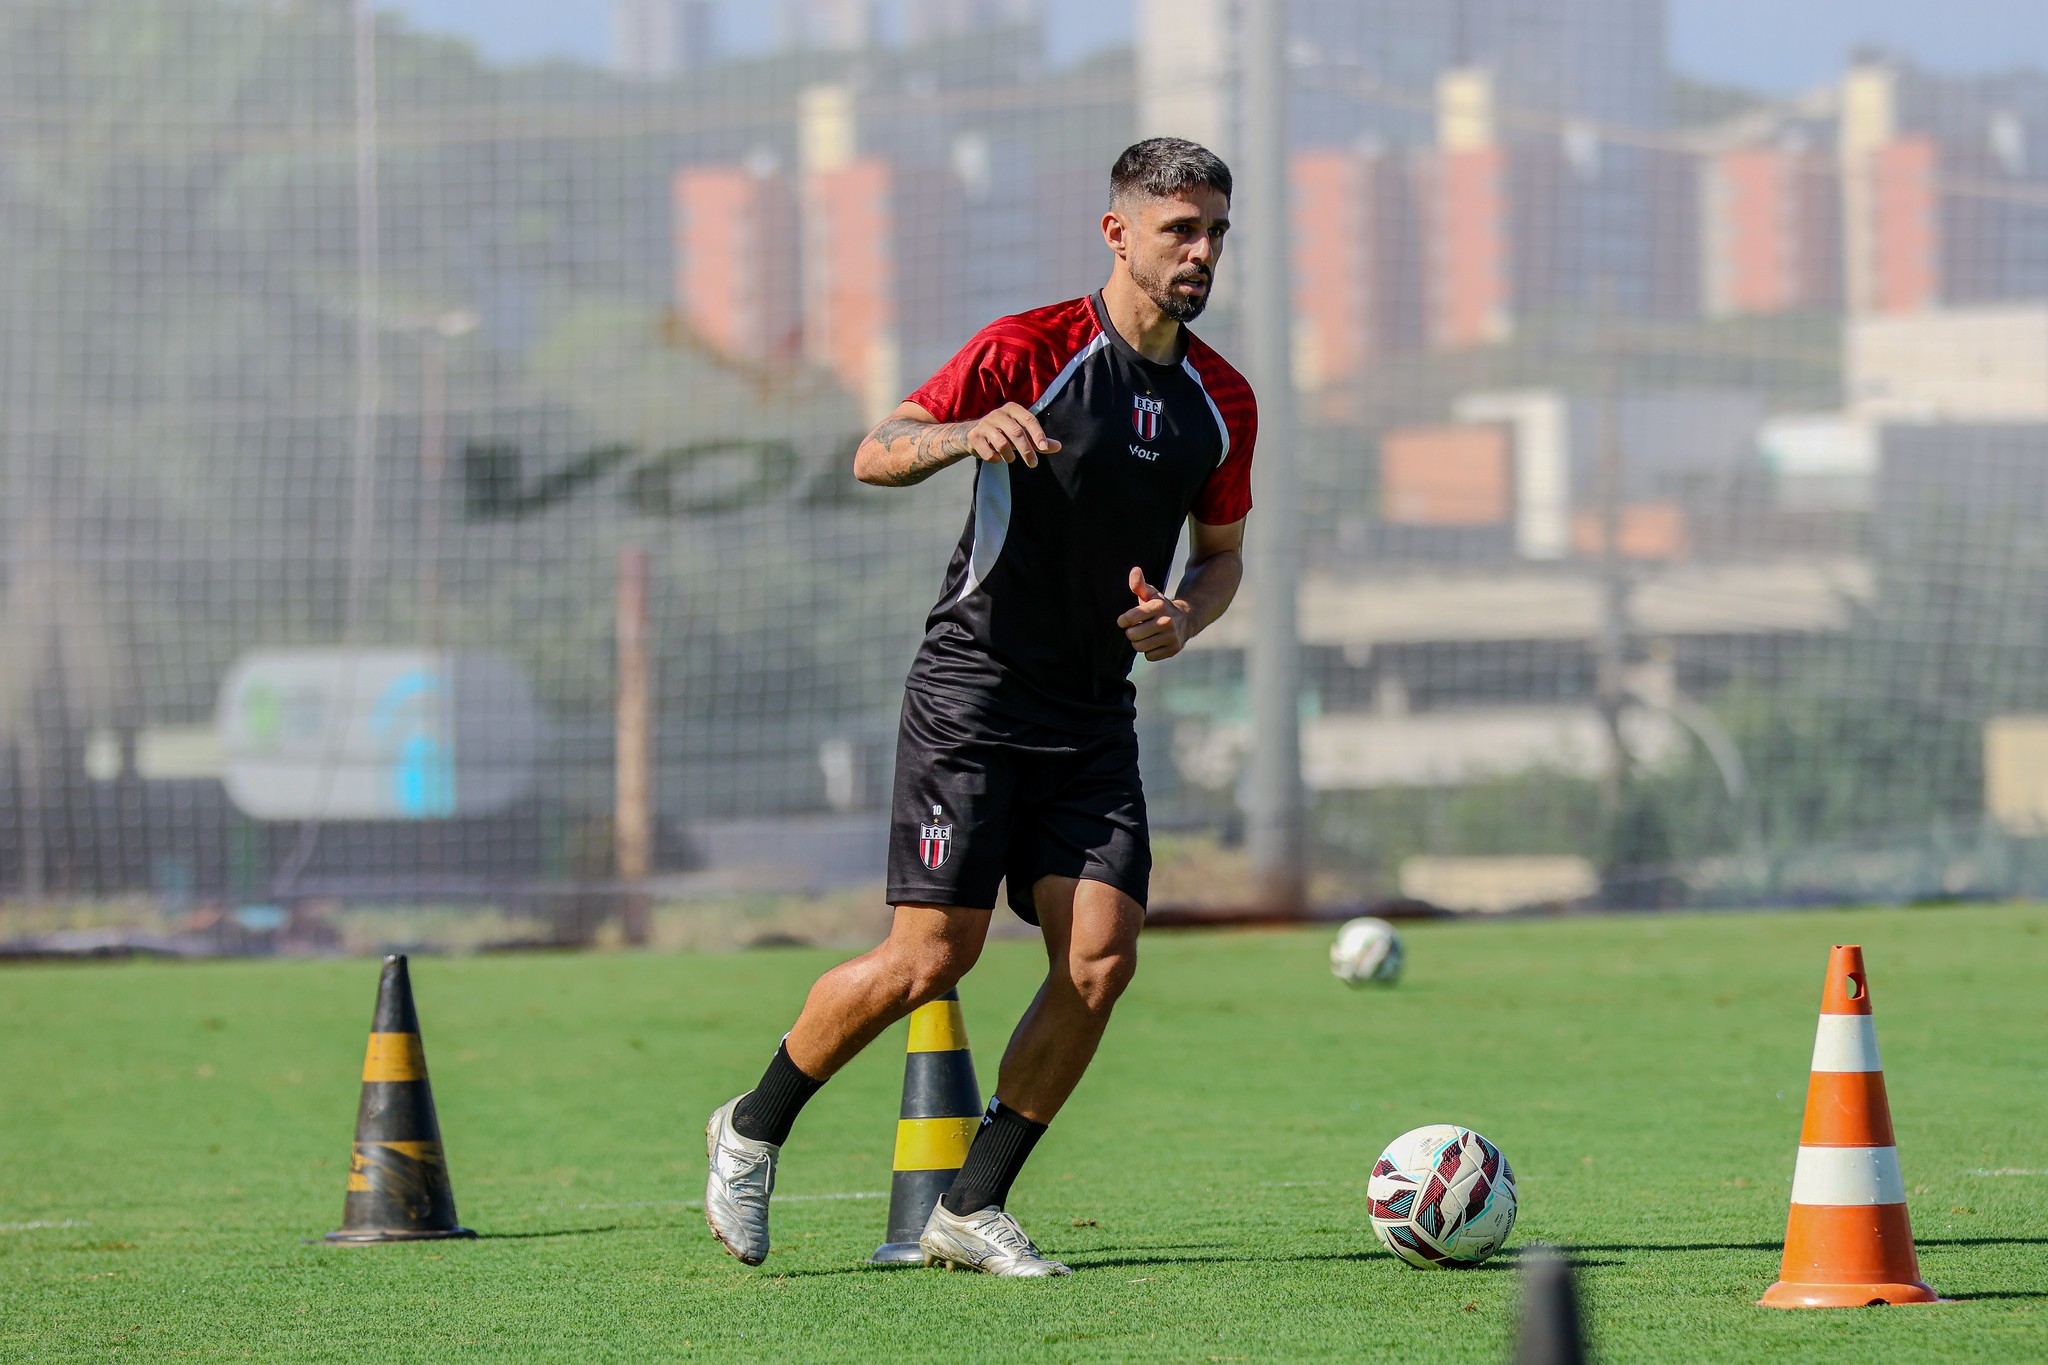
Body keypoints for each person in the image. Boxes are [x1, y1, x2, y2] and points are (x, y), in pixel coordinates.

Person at [704, 136, 1257, 1277]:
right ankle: (751, 1126)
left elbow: (1220, 558)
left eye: (1213, 233)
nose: (1200, 253)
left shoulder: (1220, 401)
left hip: (1093, 714)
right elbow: (877, 448)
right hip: (972, 697)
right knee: (928, 961)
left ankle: (969, 1205)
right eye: (1179, 231)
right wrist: (965, 432)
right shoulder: (1030, 347)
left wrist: (1185, 622)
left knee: (1100, 962)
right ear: (1118, 233)